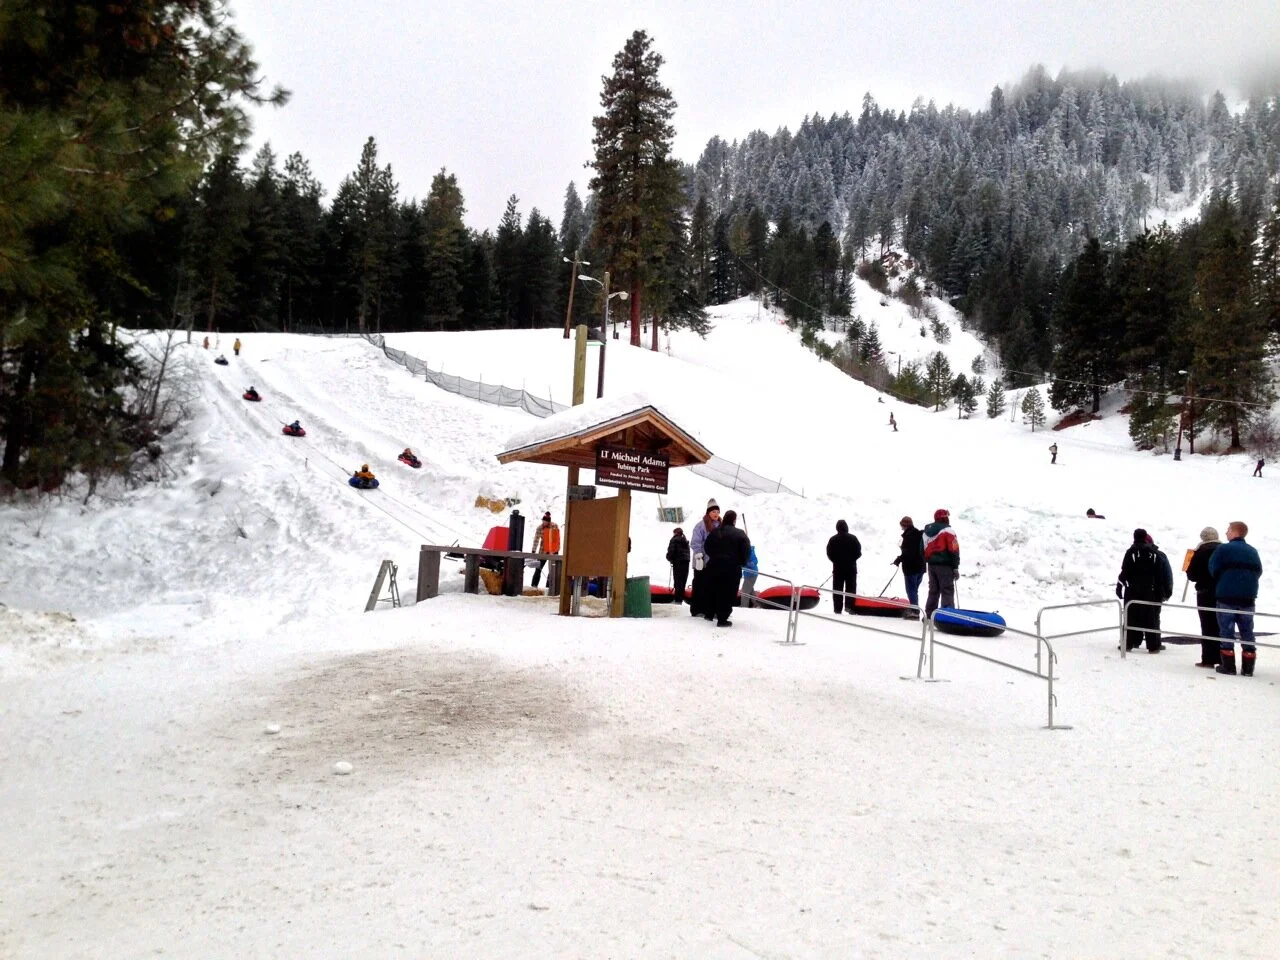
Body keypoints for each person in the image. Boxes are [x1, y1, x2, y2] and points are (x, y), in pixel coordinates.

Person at [1209, 521, 1262, 676]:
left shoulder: (1223, 549)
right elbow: (1258, 571)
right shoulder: (1253, 551)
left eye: (1228, 530)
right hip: (1248, 597)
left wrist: (1224, 579)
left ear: (1234, 532)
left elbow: (1213, 568)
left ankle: (1228, 666)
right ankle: (1248, 667)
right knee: (1247, 631)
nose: (1226, 533)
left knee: (1226, 630)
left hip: (1226, 595)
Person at [1116, 529, 1173, 652]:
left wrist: (1119, 586)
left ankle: (1128, 643)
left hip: (1132, 590)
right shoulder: (1154, 553)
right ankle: (1153, 646)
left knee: (1130, 617)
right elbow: (1159, 574)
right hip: (1149, 590)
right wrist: (1160, 591)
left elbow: (1124, 571)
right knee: (1150, 618)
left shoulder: (1130, 552)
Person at [704, 509, 751, 627]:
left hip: (714, 566)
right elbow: (746, 551)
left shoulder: (715, 532)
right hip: (732, 569)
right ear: (734, 520)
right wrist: (741, 562)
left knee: (714, 589)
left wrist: (714, 557)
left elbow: (707, 547)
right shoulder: (740, 534)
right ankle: (722, 618)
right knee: (727, 593)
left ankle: (709, 613)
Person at [1185, 526, 1222, 668]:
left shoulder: (1199, 552)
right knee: (1222, 625)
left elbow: (1191, 575)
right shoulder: (1224, 550)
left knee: (1207, 625)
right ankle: (1224, 656)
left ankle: (1208, 658)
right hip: (1222, 592)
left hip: (1205, 592)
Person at [923, 509, 960, 616]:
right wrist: (955, 567)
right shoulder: (948, 531)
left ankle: (929, 615)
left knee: (933, 591)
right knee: (947, 590)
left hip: (931, 565)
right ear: (945, 518)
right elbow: (954, 550)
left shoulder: (926, 531)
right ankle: (947, 616)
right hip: (945, 566)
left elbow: (922, 548)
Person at [689, 499, 721, 618]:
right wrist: (698, 556)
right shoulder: (701, 526)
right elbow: (695, 542)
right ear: (708, 513)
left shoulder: (721, 526)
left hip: (714, 562)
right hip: (701, 561)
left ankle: (709, 609)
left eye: (717, 511)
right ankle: (697, 609)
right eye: (713, 511)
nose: (716, 514)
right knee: (699, 585)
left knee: (711, 587)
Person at [825, 520, 862, 614]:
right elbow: (858, 553)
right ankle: (849, 607)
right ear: (846, 527)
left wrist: (836, 561)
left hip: (838, 568)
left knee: (837, 589)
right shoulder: (853, 538)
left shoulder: (833, 539)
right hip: (851, 568)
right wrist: (851, 560)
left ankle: (837, 609)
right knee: (851, 588)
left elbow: (829, 553)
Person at [893, 516, 926, 614]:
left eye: (902, 526)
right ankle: (914, 609)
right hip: (921, 567)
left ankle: (914, 611)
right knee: (914, 590)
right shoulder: (919, 535)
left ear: (904, 525)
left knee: (911, 590)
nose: (901, 528)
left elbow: (908, 553)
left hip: (911, 568)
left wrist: (899, 559)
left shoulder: (909, 537)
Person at [530, 512, 560, 588]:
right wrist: (533, 550)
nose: (544, 523)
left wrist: (556, 550)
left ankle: (549, 587)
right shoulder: (539, 528)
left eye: (545, 521)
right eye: (543, 521)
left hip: (553, 551)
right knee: (538, 568)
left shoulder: (554, 526)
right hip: (543, 550)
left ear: (548, 522)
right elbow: (536, 539)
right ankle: (534, 586)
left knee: (552, 570)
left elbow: (557, 538)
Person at [666, 527, 690, 605]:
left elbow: (671, 552)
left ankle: (677, 599)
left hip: (678, 562)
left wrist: (669, 558)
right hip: (686, 562)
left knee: (678, 580)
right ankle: (681, 598)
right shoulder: (685, 541)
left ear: (675, 533)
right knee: (683, 580)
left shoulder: (674, 540)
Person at [741, 544, 760, 608]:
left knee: (744, 592)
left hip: (751, 574)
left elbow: (754, 560)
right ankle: (756, 604)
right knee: (750, 590)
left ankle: (744, 607)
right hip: (749, 574)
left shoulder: (749, 550)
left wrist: (749, 563)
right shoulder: (745, 550)